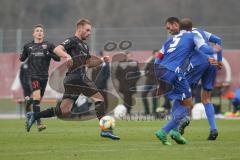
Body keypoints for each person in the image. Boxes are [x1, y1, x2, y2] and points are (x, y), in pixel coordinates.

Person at [25, 19, 120, 140]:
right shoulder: (72, 40)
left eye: (90, 31)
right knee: (99, 98)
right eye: (87, 30)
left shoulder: (85, 45)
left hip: (73, 80)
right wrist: (67, 55)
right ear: (79, 29)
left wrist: (101, 60)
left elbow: (89, 63)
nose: (89, 33)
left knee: (64, 111)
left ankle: (34, 115)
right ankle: (106, 130)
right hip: (77, 77)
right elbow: (57, 49)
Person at [154, 17, 219, 145]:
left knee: (183, 101)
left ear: (177, 25)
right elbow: (206, 47)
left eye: (169, 28)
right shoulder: (194, 34)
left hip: (162, 72)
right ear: (190, 28)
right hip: (177, 72)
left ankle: (175, 132)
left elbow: (157, 59)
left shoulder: (169, 41)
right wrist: (214, 52)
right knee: (189, 103)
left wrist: (158, 81)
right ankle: (167, 130)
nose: (168, 31)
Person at [177, 18, 223, 140]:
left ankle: (183, 120)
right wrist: (219, 60)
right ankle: (213, 129)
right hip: (212, 63)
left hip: (198, 63)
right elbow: (218, 40)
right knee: (206, 98)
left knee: (183, 94)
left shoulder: (185, 36)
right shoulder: (201, 31)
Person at [20, 24, 60, 131]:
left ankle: (30, 102)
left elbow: (58, 59)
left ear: (43, 33)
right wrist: (22, 55)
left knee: (37, 101)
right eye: (37, 31)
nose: (39, 32)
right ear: (33, 33)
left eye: (41, 30)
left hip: (44, 77)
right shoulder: (28, 46)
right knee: (37, 98)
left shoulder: (49, 45)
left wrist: (50, 54)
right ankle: (39, 123)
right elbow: (22, 58)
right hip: (34, 76)